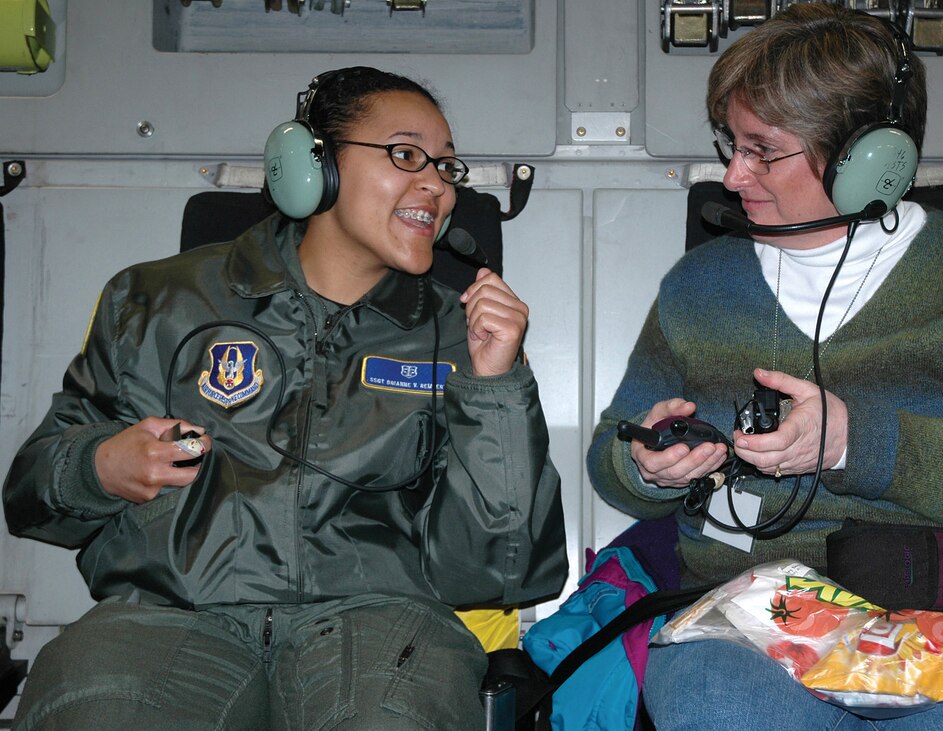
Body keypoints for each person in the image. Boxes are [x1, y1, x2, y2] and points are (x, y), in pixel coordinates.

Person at [3, 66, 567, 730]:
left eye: (447, 167)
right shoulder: (157, 301)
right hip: (167, 615)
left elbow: (504, 571)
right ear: (311, 165)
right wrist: (99, 466)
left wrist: (493, 389)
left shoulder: (461, 337)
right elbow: (29, 495)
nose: (437, 185)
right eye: (407, 154)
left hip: (379, 623)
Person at [586, 4, 943, 729]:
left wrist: (855, 442)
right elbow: (612, 456)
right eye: (731, 143)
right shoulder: (699, 288)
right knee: (717, 705)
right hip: (749, 627)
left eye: (763, 149)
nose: (731, 175)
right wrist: (645, 465)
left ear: (864, 159)